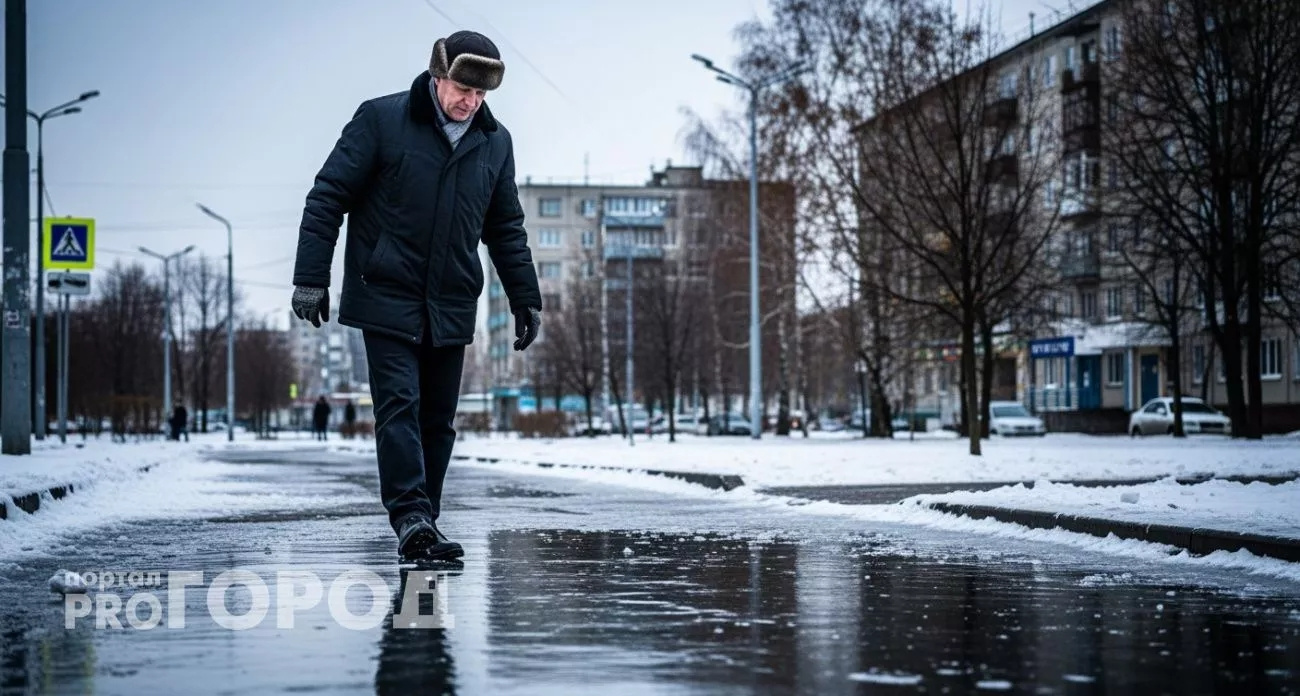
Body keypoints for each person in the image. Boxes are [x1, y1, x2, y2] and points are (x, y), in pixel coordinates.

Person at [290, 30, 541, 566]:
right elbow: (328, 195)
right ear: (437, 76)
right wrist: (311, 276)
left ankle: (425, 519)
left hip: (450, 298)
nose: (469, 102)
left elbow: (506, 227)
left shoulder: (495, 143)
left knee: (438, 420)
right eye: (461, 88)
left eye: (480, 95)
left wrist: (525, 296)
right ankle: (410, 519)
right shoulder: (381, 121)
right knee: (399, 406)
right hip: (386, 292)